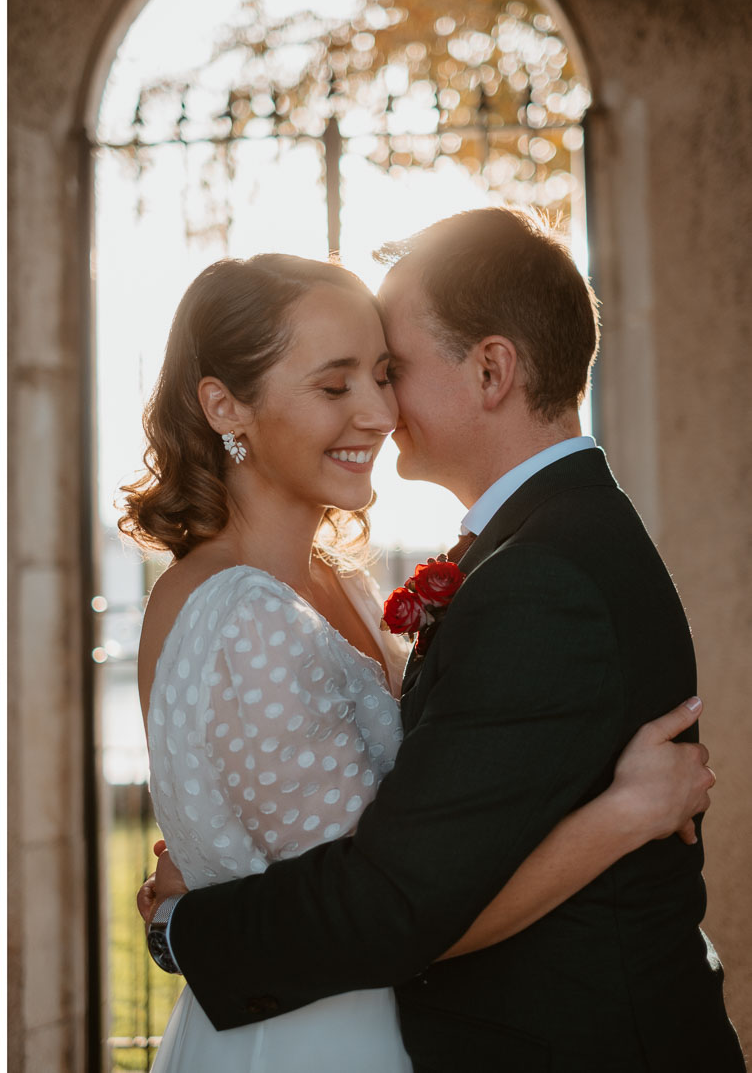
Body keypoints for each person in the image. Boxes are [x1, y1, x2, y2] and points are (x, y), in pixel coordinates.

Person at [123, 228, 740, 1071]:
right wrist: (622, 816)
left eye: (389, 370)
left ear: (491, 370)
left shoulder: (527, 574)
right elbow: (396, 896)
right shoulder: (260, 609)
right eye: (341, 381)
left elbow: (397, 902)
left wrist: (185, 926)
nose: (381, 409)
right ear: (226, 404)